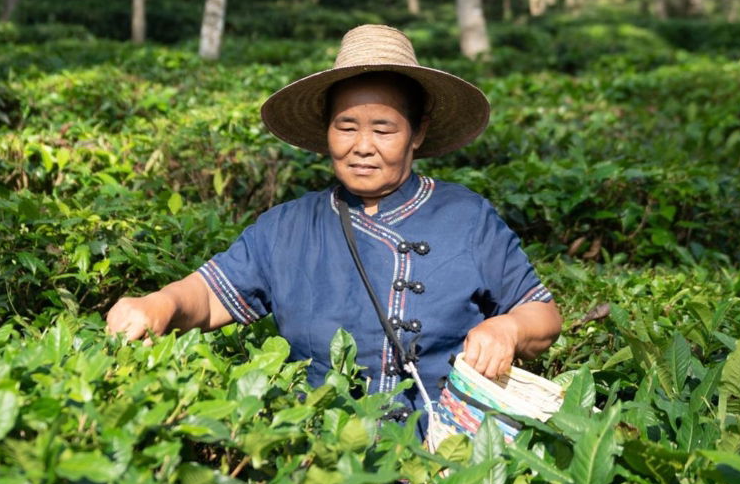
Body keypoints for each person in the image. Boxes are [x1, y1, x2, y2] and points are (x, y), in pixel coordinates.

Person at [106, 24, 561, 429]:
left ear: (417, 133)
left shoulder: (466, 217)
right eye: (347, 127)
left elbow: (541, 313)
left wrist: (508, 330)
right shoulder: (287, 227)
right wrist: (158, 304)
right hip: (321, 459)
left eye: (383, 130)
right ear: (326, 130)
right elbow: (207, 295)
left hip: (444, 462)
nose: (362, 146)